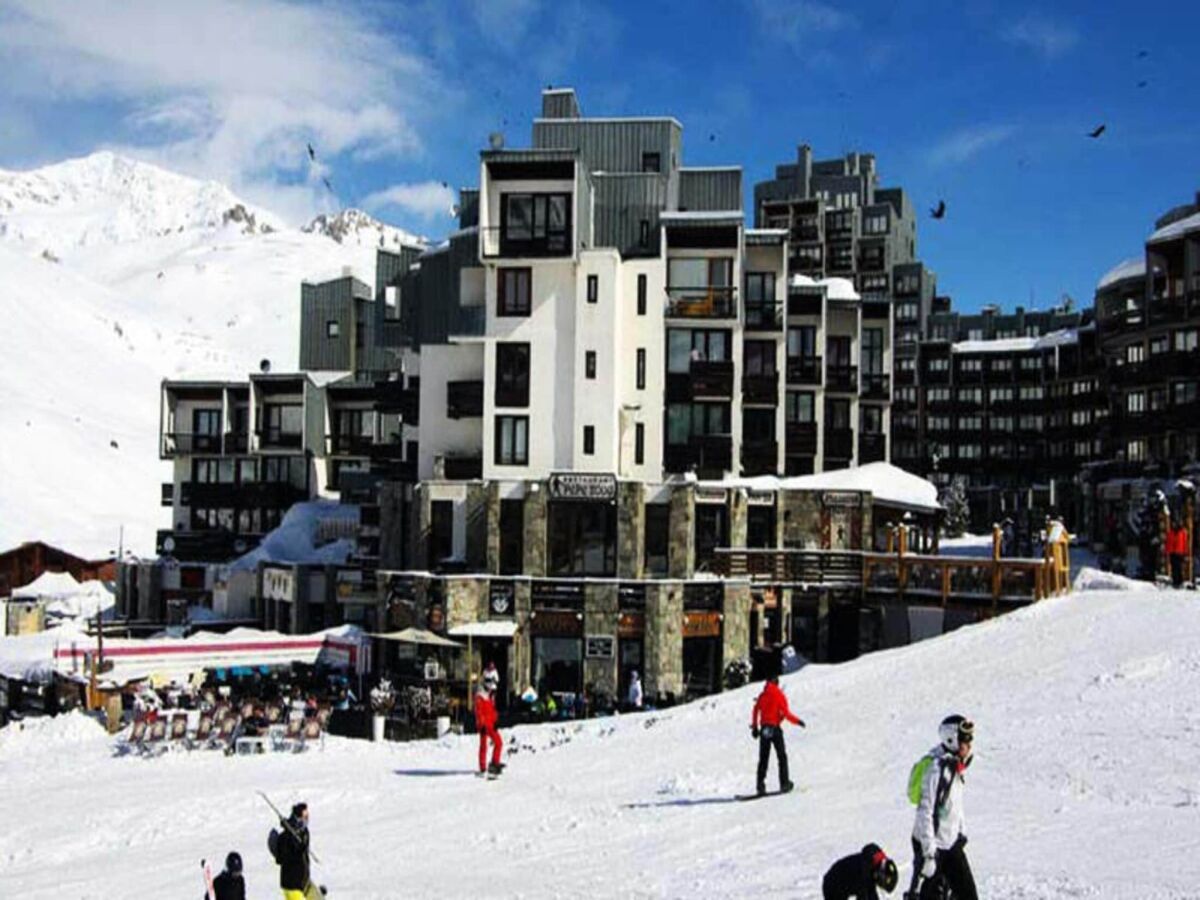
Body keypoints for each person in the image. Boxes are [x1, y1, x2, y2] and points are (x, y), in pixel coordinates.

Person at [909, 715, 978, 900]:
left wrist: (962, 831)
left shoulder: (956, 767)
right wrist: (929, 853)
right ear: (952, 739)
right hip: (932, 846)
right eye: (965, 740)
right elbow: (925, 812)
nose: (969, 745)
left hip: (951, 844)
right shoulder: (936, 769)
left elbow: (955, 804)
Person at [750, 674, 805, 795]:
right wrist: (798, 722)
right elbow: (786, 714)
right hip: (775, 728)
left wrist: (754, 727)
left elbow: (755, 709)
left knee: (763, 758)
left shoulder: (763, 695)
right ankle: (784, 783)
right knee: (781, 756)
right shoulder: (779, 695)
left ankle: (760, 785)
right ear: (777, 682)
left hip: (764, 729)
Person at [272, 802, 316, 900]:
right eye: (305, 817)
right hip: (291, 885)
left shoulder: (305, 833)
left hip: (303, 882)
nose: (307, 820)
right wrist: (298, 849)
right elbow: (281, 859)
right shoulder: (286, 837)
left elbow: (304, 855)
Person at [822, 844, 898, 899]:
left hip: (841, 883)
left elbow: (871, 893)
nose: (879, 886)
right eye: (881, 884)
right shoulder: (864, 874)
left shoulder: (873, 865)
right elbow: (865, 894)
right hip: (832, 886)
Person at [474, 675, 504, 776]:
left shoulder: (490, 696)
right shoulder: (480, 696)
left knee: (498, 742)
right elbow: (479, 712)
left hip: (491, 724)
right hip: (484, 725)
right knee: (484, 746)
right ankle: (483, 767)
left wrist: (496, 721)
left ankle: (494, 763)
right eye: (489, 683)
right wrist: (481, 725)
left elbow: (492, 710)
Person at [1167, 518, 1188, 588]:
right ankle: (1175, 581)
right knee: (1173, 567)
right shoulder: (1171, 532)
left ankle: (1180, 581)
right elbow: (1168, 542)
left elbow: (1185, 543)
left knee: (1179, 568)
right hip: (1172, 552)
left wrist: (1185, 553)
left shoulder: (1182, 532)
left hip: (1180, 552)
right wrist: (1168, 551)